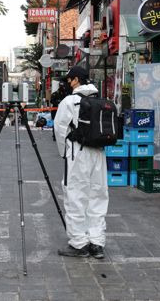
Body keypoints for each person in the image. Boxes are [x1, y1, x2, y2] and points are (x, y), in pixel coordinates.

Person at [54, 66, 108, 259]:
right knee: (98, 195)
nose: (68, 83)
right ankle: (97, 242)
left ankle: (79, 243)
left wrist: (63, 153)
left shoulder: (69, 102)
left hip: (78, 152)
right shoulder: (101, 100)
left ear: (76, 80)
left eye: (69, 80)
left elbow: (60, 129)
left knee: (76, 195)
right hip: (99, 153)